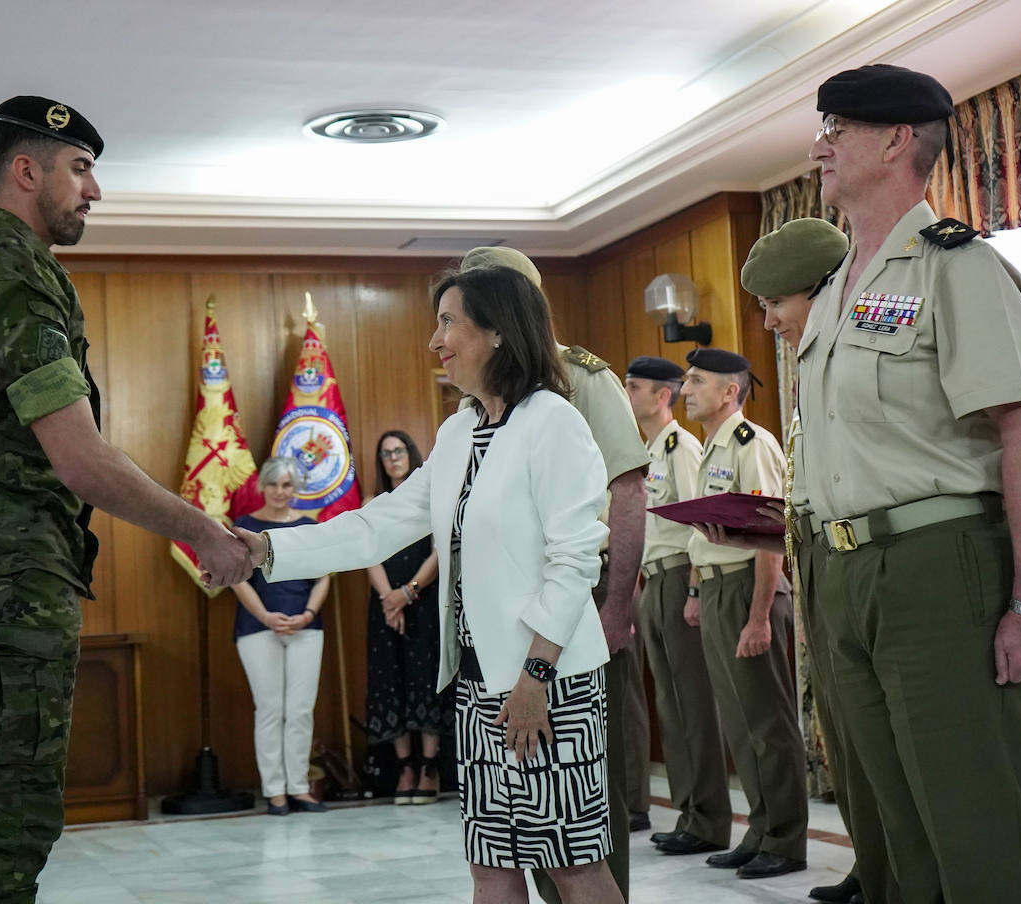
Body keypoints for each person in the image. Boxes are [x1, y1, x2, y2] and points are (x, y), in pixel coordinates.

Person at [0, 96, 252, 904]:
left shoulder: (5, 264)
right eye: (82, 169)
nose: (94, 191)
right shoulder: (8, 266)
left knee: (13, 804)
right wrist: (206, 532)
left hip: (0, 561)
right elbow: (81, 459)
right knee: (13, 814)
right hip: (2, 566)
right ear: (26, 171)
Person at [242, 265, 623, 904]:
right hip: (477, 685)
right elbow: (377, 526)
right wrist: (266, 548)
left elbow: (575, 558)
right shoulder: (457, 432)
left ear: (498, 331)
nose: (434, 340)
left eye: (448, 322)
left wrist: (536, 677)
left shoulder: (552, 420)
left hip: (546, 683)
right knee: (492, 868)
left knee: (570, 864)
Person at [798, 64, 1021, 903]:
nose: (819, 147)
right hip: (844, 570)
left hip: (935, 565)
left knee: (971, 817)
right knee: (897, 828)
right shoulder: (837, 288)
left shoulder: (958, 267)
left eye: (835, 128)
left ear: (896, 140)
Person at [459, 245, 650, 901]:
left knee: (580, 820)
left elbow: (626, 493)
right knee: (512, 829)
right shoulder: (474, 402)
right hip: (503, 617)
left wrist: (617, 601)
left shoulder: (580, 379)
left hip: (573, 600)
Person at [732, 217, 885, 904]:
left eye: (776, 305)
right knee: (847, 739)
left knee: (883, 740)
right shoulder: (811, 366)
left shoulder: (864, 349)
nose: (768, 323)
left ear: (819, 290)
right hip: (820, 560)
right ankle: (874, 864)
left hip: (878, 560)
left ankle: (899, 870)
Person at [676, 348, 808, 880]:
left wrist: (758, 618)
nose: (686, 389)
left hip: (750, 593)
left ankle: (786, 838)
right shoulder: (712, 448)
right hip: (717, 590)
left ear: (730, 391)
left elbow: (771, 540)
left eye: (697, 380)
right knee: (739, 722)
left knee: (768, 722)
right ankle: (760, 830)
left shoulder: (753, 445)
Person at [622, 355, 732, 856]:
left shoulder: (680, 447)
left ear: (660, 396)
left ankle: (707, 817)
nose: (627, 394)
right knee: (672, 704)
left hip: (680, 579)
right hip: (654, 579)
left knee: (692, 703)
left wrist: (692, 590)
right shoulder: (649, 449)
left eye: (635, 387)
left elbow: (697, 526)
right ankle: (690, 812)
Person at [231, 456, 331, 815]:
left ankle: (299, 788)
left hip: (306, 628)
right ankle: (275, 792)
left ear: (296, 489)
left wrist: (307, 614)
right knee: (271, 710)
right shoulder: (244, 526)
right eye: (273, 484)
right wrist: (265, 616)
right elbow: (238, 580)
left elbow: (323, 577)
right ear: (262, 486)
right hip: (258, 628)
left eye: (286, 484)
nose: (279, 491)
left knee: (301, 711)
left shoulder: (309, 526)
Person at [363, 429, 449, 804]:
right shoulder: (374, 501)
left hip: (423, 598)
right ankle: (404, 769)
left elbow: (440, 552)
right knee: (389, 680)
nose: (393, 458)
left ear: (412, 454)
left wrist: (407, 593)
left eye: (399, 450)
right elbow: (369, 554)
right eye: (386, 453)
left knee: (424, 678)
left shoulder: (430, 497)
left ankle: (429, 767)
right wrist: (388, 599)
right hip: (385, 601)